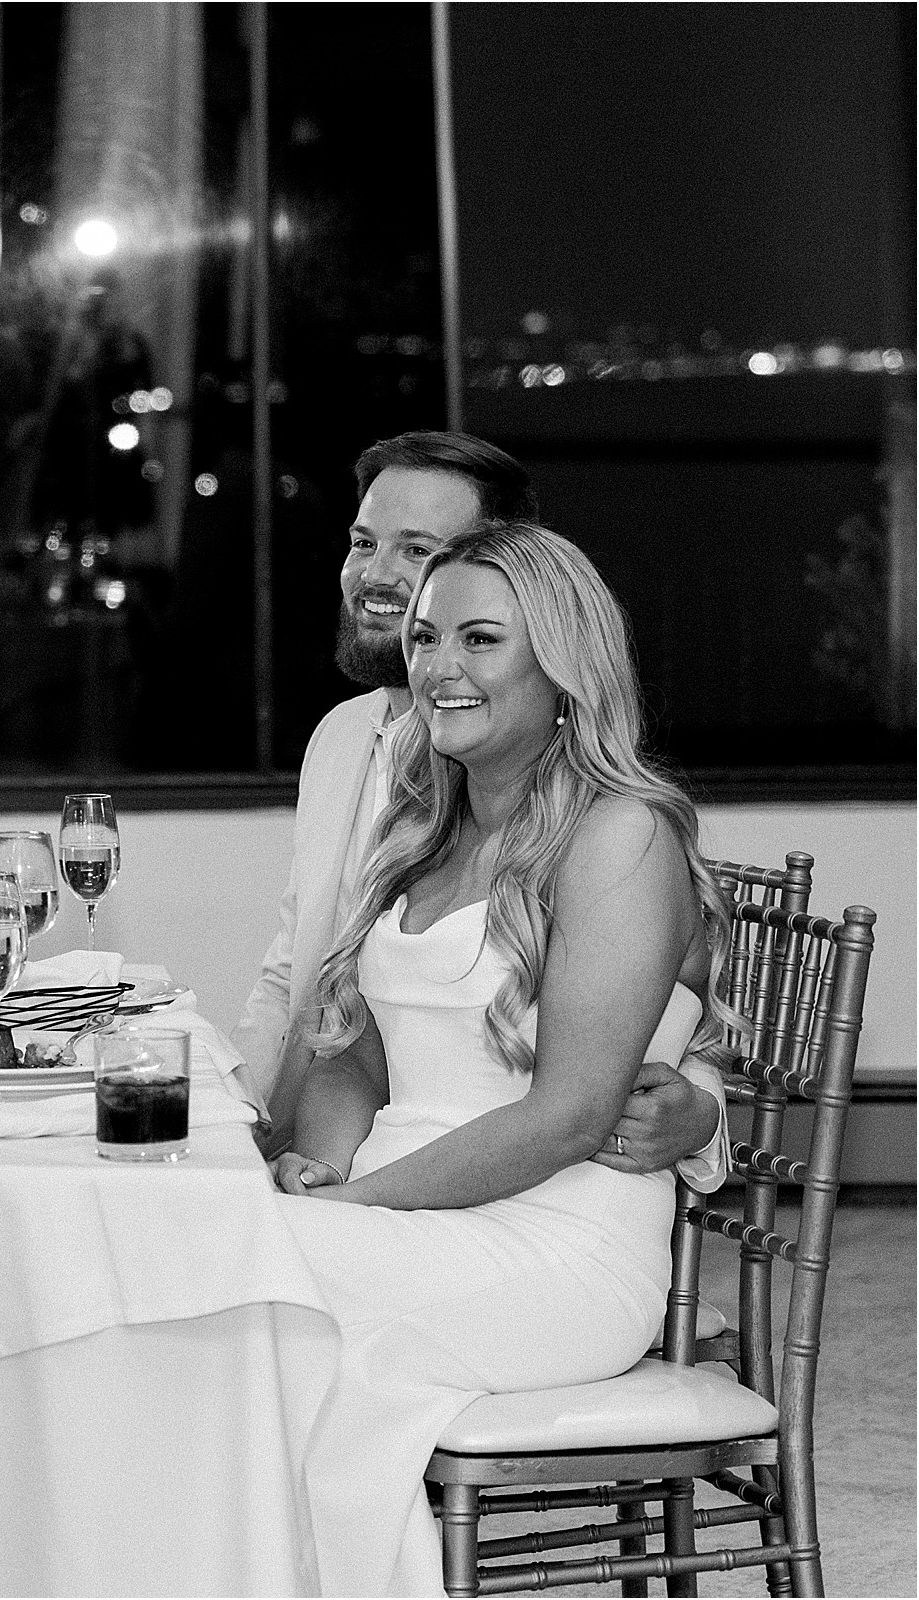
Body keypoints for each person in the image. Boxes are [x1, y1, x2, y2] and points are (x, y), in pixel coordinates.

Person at [268, 520, 738, 1596]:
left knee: (218, 1281)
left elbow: (568, 1116)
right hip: (407, 1218)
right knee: (208, 1292)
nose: (439, 666)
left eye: (481, 640)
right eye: (428, 638)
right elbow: (354, 1052)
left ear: (562, 666)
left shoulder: (616, 835)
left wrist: (351, 1210)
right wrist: (327, 1170)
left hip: (551, 1252)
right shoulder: (424, 824)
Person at [231, 430, 726, 1184]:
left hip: (526, 1202)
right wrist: (255, 1130)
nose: (378, 574)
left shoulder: (613, 834)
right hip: (351, 1159)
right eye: (365, 541)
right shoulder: (359, 759)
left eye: (417, 550)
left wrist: (701, 1113)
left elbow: (622, 1054)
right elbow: (298, 982)